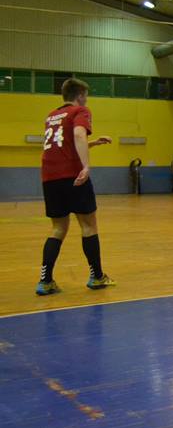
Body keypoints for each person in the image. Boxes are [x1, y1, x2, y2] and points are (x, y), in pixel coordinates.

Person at [36, 77, 115, 296]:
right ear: (80, 95)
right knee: (88, 225)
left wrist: (93, 144)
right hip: (73, 176)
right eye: (86, 96)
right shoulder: (80, 111)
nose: (86, 100)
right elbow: (78, 134)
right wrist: (86, 166)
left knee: (58, 228)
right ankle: (97, 277)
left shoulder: (52, 116)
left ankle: (45, 281)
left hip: (50, 177)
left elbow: (64, 144)